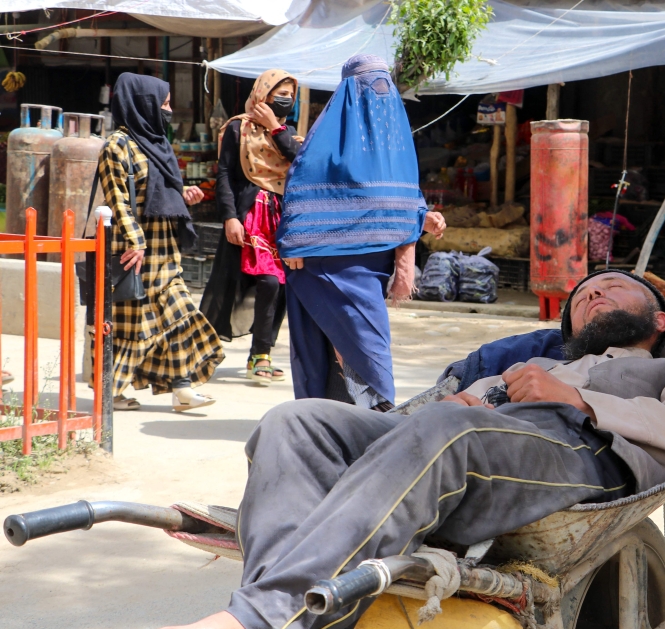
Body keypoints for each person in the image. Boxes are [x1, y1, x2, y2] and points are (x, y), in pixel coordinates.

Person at [144, 269, 665, 629]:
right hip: (461, 444)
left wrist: (577, 400)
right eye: (582, 298)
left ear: (658, 321)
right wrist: (465, 400)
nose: (593, 296)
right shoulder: (530, 361)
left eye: (610, 289)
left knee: (455, 430)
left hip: (577, 455)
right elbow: (453, 412)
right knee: (296, 421)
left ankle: (257, 625)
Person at [276, 54, 445, 410]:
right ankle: (356, 418)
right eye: (371, 84)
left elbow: (398, 195)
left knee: (366, 344)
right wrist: (292, 241)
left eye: (385, 83)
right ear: (350, 90)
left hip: (372, 265)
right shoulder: (324, 144)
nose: (379, 93)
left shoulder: (393, 143)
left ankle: (357, 419)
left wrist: (422, 216)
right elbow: (302, 185)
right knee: (342, 345)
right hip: (325, 264)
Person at [98, 73, 225, 412]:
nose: (168, 109)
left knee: (181, 316)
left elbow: (159, 190)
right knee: (135, 327)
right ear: (143, 103)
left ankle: (183, 389)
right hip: (135, 254)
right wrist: (135, 241)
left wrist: (183, 195)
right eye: (164, 103)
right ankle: (107, 392)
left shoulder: (157, 143)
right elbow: (119, 200)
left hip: (165, 252)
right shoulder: (117, 146)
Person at [201, 70, 302, 386]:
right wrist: (230, 216)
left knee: (283, 285)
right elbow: (226, 175)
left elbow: (300, 162)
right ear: (262, 93)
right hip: (250, 216)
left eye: (289, 94)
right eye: (278, 93)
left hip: (283, 218)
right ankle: (253, 353)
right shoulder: (236, 128)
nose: (284, 99)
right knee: (269, 281)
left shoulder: (289, 132)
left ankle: (262, 354)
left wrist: (275, 127)